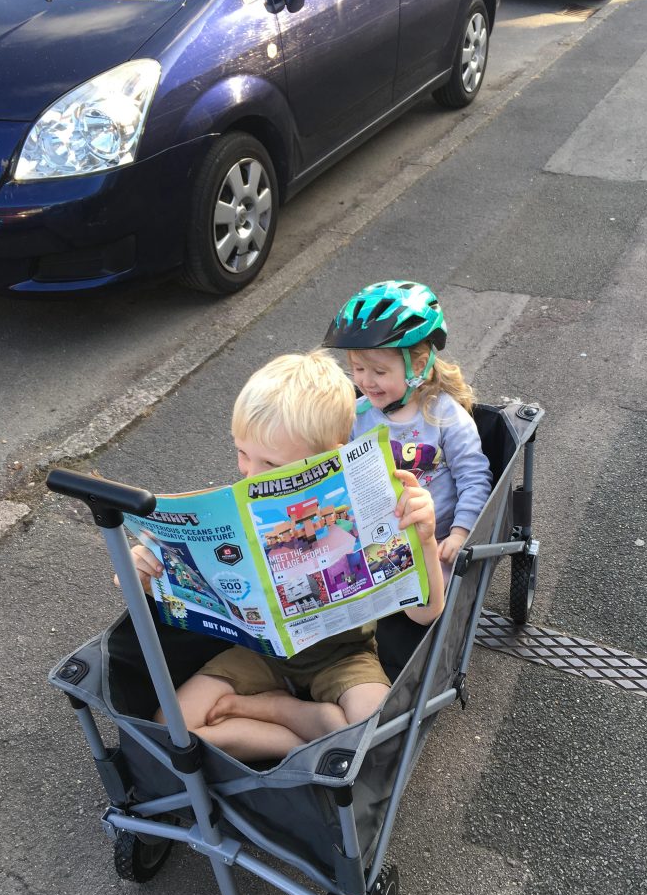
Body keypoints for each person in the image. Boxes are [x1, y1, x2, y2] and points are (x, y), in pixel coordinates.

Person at [123, 350, 444, 763]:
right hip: (258, 652)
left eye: (271, 463)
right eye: (243, 453)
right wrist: (143, 574)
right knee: (169, 728)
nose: (251, 473)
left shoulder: (375, 504)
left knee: (379, 733)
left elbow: (426, 613)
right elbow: (175, 595)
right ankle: (303, 743)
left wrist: (427, 539)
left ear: (329, 456)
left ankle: (276, 713)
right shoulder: (236, 511)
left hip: (343, 657)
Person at [323, 281, 492, 678]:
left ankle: (402, 668)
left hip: (432, 539)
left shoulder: (445, 416)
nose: (366, 380)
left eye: (379, 371)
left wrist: (461, 533)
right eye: (358, 368)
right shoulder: (357, 414)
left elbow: (475, 479)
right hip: (373, 536)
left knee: (426, 608)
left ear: (418, 366)